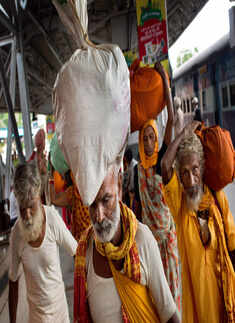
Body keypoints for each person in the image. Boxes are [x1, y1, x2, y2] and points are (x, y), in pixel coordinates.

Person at [74, 161, 180, 323]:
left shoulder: (142, 239)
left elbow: (168, 312)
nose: (99, 216)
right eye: (92, 205)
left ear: (119, 186)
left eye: (106, 200)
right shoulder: (85, 249)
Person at [161, 121, 235, 323]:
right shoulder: (179, 205)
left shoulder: (218, 200)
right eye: (184, 173)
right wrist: (183, 133)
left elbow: (232, 246)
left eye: (194, 170)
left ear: (202, 168)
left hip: (225, 305)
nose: (191, 180)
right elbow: (165, 165)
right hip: (196, 311)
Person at [133, 62, 180, 309]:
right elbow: (137, 208)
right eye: (145, 138)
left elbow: (171, 119)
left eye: (152, 137)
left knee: (173, 294)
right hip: (150, 243)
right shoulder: (137, 170)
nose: (150, 142)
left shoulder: (164, 158)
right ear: (140, 141)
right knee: (156, 299)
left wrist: (163, 77)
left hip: (168, 239)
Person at [8, 163, 78, 323]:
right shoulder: (17, 235)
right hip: (37, 318)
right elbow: (12, 281)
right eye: (22, 208)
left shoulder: (52, 218)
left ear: (39, 197)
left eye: (31, 206)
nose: (27, 214)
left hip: (60, 315)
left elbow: (77, 252)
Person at [29, 128, 50, 205]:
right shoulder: (33, 160)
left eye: (44, 137)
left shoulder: (44, 158)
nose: (44, 141)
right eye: (42, 137)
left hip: (44, 198)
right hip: (37, 199)